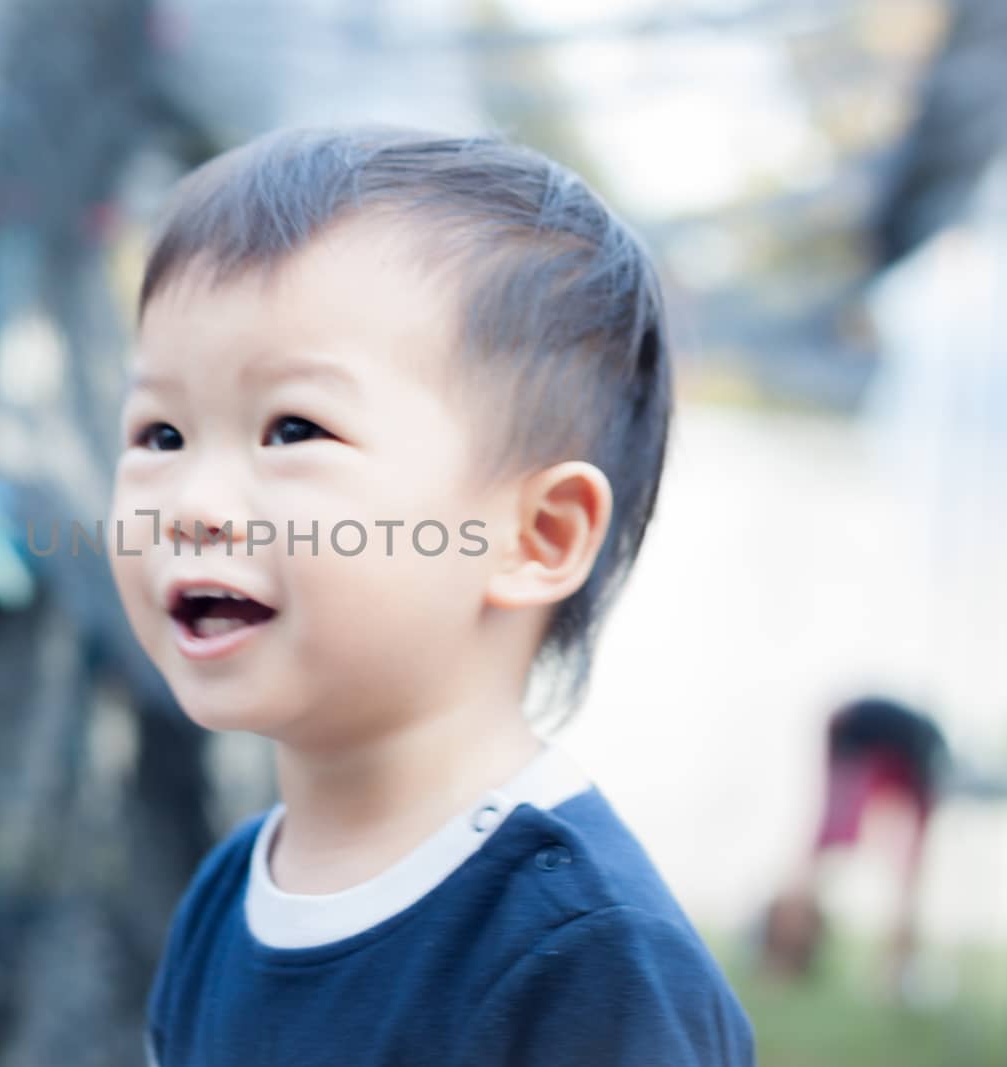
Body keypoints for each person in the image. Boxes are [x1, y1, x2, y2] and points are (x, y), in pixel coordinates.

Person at [106, 126, 756, 1067]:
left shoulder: (586, 963)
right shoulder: (228, 893)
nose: (194, 505)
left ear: (539, 537)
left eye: (294, 429)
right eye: (160, 434)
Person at [761, 696, 950, 999]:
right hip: (860, 732)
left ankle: (896, 970)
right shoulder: (923, 768)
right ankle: (784, 955)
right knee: (897, 872)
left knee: (827, 855)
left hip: (866, 731)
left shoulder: (921, 766)